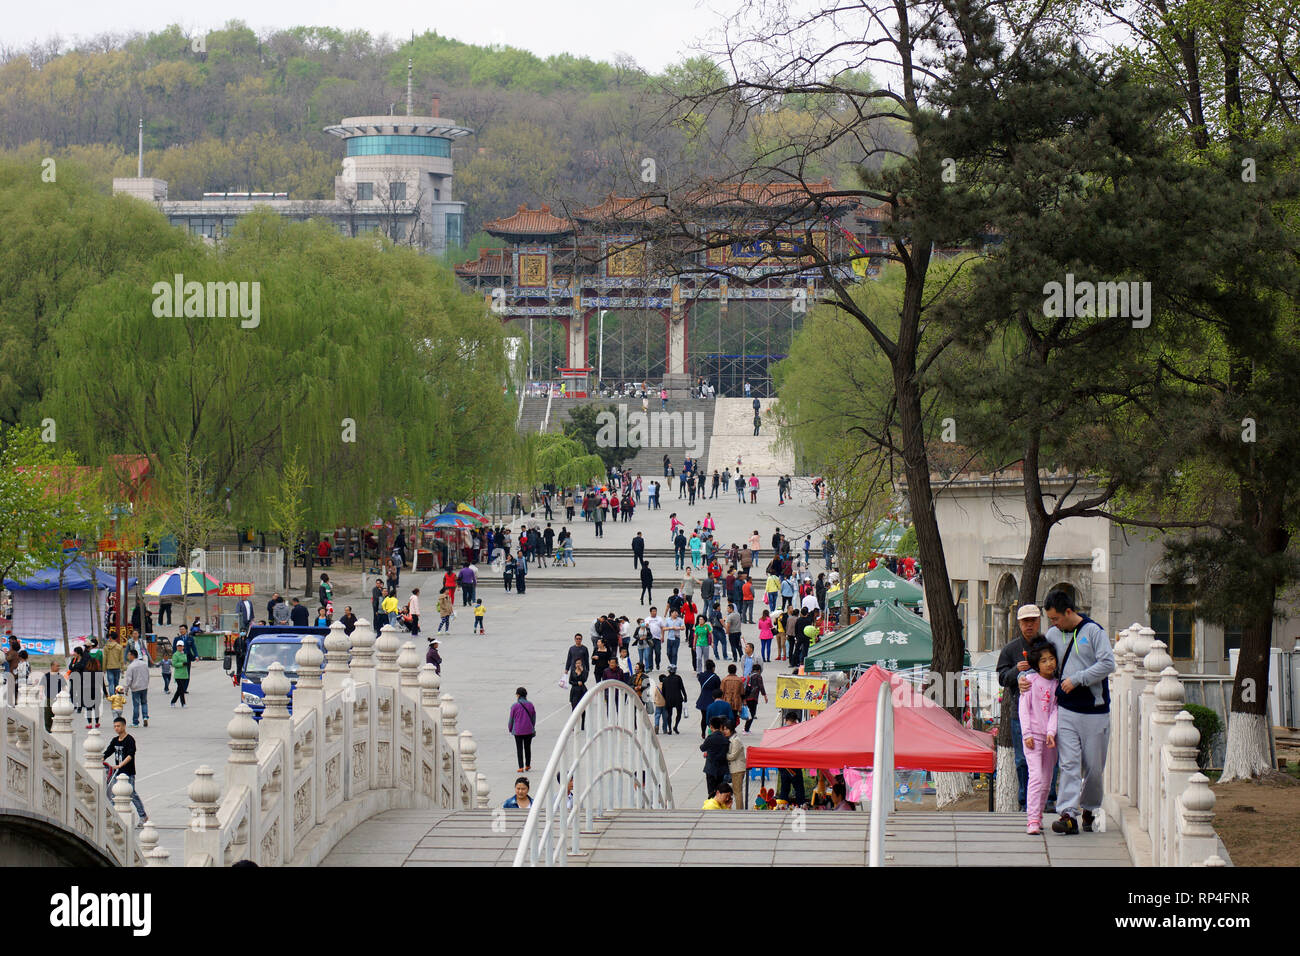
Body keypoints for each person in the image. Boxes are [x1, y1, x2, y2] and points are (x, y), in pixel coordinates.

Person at [1024, 589, 1115, 836]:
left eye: (1056, 618)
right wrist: (1025, 677)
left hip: (1095, 710)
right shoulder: (1053, 635)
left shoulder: (1094, 632)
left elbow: (1108, 663)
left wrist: (1078, 679)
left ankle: (1089, 807)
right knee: (1069, 764)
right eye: (1050, 620)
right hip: (1064, 710)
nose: (1053, 624)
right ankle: (1067, 814)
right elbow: (1040, 661)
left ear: (1068, 611)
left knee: (1094, 768)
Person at [997, 604, 1058, 812]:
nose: (1029, 625)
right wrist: (1017, 672)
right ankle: (1025, 801)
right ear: (1019, 623)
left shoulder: (1048, 646)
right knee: (1022, 758)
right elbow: (1002, 679)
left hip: (1048, 714)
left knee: (1050, 758)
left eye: (1033, 620)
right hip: (1020, 715)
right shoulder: (1011, 649)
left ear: (1039, 621)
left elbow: (1057, 672)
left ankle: (1049, 798)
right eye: (1025, 621)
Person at [1020, 641, 1060, 835]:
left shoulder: (1056, 685)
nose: (1049, 663)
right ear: (1036, 664)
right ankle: (1032, 820)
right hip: (1033, 737)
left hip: (1049, 739)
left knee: (1047, 779)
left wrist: (1052, 732)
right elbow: (1024, 709)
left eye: (1051, 659)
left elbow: (1055, 711)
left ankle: (1039, 815)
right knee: (1036, 776)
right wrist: (1026, 733)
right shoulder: (1030, 681)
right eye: (1043, 660)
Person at [103, 717, 148, 825]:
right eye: (115, 726)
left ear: (123, 726)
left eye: (118, 726)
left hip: (128, 773)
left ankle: (143, 816)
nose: (116, 728)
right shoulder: (115, 740)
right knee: (114, 793)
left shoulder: (130, 740)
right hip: (117, 774)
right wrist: (100, 759)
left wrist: (120, 765)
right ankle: (116, 816)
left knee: (132, 794)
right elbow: (107, 752)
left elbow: (130, 755)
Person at [776, 713, 807, 806]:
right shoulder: (797, 730)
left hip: (784, 764)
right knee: (798, 787)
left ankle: (782, 806)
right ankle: (801, 806)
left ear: (786, 720)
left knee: (785, 787)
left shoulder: (781, 731)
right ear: (795, 720)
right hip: (794, 763)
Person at [508, 687, 537, 773]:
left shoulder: (514, 706)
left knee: (519, 748)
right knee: (527, 748)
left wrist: (510, 728)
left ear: (518, 695)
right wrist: (532, 726)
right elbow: (533, 717)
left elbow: (511, 719)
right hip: (528, 730)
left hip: (518, 731)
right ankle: (527, 765)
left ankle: (520, 767)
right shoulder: (530, 704)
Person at [700, 716, 729, 797]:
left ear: (711, 727)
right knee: (720, 790)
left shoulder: (710, 738)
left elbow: (702, 748)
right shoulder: (725, 739)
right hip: (721, 768)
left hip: (711, 768)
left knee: (711, 791)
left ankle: (712, 805)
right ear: (721, 726)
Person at [123, 648, 149, 728]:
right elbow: (147, 675)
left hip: (135, 688)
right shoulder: (144, 664)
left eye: (129, 655)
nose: (128, 656)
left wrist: (126, 689)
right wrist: (146, 684)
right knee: (144, 702)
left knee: (136, 705)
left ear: (132, 655)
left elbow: (128, 679)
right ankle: (145, 716)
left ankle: (135, 722)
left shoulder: (131, 666)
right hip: (144, 687)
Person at [695, 660, 721, 738]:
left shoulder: (701, 676)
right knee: (713, 717)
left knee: (704, 717)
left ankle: (703, 733)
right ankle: (712, 731)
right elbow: (718, 689)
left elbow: (699, 678)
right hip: (712, 699)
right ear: (713, 668)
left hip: (703, 699)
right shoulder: (715, 677)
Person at [725, 722, 747, 804]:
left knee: (737, 791)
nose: (725, 731)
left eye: (726, 729)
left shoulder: (736, 740)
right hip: (735, 769)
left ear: (731, 730)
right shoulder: (732, 739)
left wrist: (723, 755)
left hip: (738, 769)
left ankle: (739, 810)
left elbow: (733, 756)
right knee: (736, 791)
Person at [742, 665, 767, 734]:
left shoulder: (749, 675)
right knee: (752, 714)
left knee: (749, 713)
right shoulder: (758, 676)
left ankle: (745, 728)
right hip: (753, 698)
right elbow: (761, 686)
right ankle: (746, 730)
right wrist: (765, 695)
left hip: (747, 697)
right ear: (759, 670)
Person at [661, 665, 686, 733]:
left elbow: (663, 691)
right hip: (678, 698)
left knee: (669, 714)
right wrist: (685, 696)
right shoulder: (678, 678)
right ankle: (675, 726)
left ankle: (669, 729)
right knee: (679, 713)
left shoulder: (665, 679)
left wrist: (665, 698)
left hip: (669, 699)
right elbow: (682, 688)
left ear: (668, 671)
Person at [169, 641, 190, 708]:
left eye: (181, 646)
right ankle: (183, 703)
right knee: (181, 690)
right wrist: (182, 664)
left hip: (184, 674)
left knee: (180, 689)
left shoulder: (184, 654)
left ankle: (173, 701)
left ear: (183, 647)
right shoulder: (175, 654)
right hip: (178, 675)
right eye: (178, 646)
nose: (180, 647)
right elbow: (174, 664)